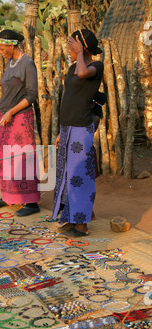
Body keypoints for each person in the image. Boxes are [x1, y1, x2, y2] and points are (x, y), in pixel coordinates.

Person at [52, 29, 104, 236]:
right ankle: (71, 219)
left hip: (82, 128)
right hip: (68, 128)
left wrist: (81, 52)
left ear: (82, 46)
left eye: (72, 44)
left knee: (79, 176)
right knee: (66, 175)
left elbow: (83, 75)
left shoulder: (94, 67)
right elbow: (71, 97)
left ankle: (82, 224)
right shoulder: (74, 66)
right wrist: (60, 132)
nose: (69, 48)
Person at [0, 29, 40, 216]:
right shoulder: (10, 62)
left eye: (2, 48)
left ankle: (31, 202)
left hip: (20, 118)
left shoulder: (28, 64)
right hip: (6, 117)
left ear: (12, 45)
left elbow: (32, 94)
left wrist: (11, 111)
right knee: (6, 158)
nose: (1, 52)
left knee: (23, 158)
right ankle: (9, 196)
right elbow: (13, 83)